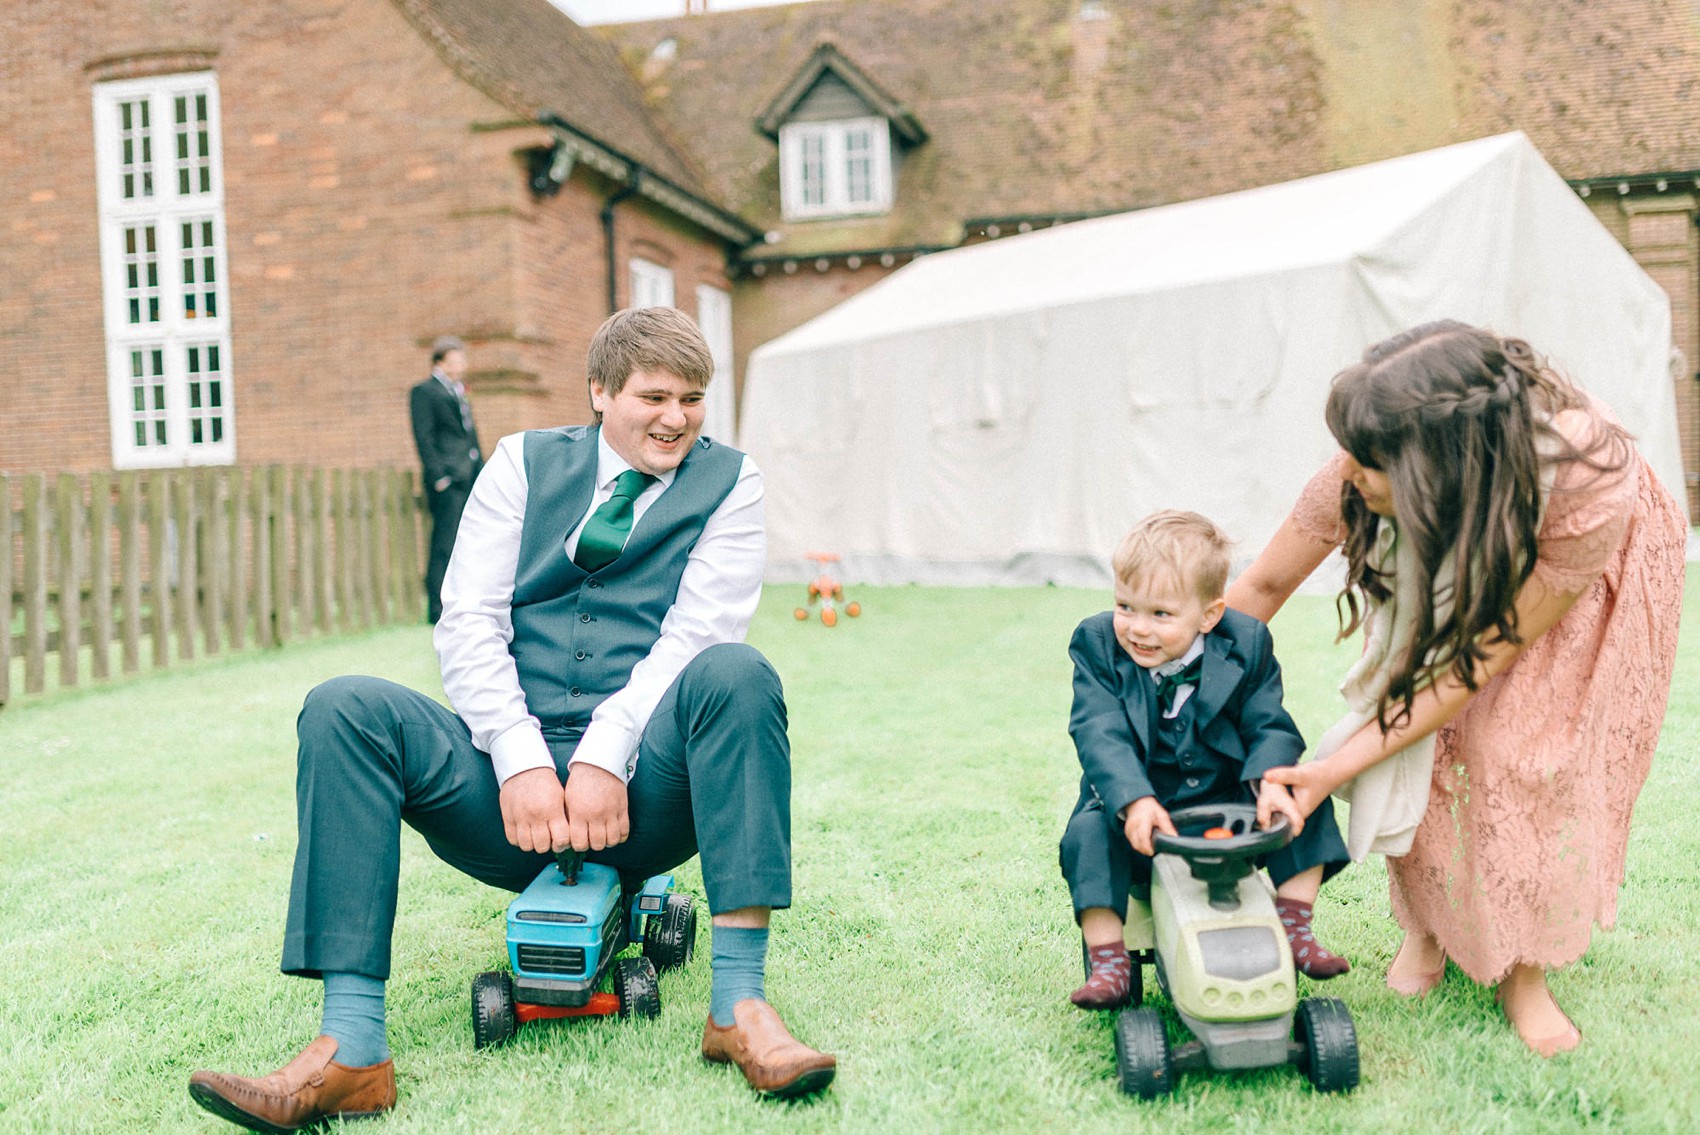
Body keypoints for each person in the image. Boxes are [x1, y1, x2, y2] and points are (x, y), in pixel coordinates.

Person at [188, 308, 836, 1133]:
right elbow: (468, 619)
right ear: (601, 391)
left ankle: (739, 1011)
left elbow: (697, 634)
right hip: (506, 800)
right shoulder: (520, 464)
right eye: (656, 396)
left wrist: (605, 755)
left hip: (647, 795)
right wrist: (521, 758)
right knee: (343, 706)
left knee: (738, 673)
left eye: (695, 399)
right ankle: (352, 1049)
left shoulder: (732, 481)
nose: (678, 418)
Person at [1226, 320, 1686, 1057]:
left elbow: (1472, 665)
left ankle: (1523, 971)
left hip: (1573, 559)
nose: (1347, 471)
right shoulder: (1364, 468)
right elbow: (1265, 581)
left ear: (1435, 469)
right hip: (1464, 534)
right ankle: (1428, 927)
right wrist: (1167, 693)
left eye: (1367, 462)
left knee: (1527, 757)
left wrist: (1326, 773)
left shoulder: (1589, 479)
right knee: (1432, 750)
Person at [1059, 510, 1352, 1009]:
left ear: (1210, 615)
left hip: (1227, 795)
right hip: (1143, 801)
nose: (1138, 628)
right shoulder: (1097, 644)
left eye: (1161, 614)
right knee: (1088, 833)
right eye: (1125, 606)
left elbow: (1268, 723)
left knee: (1304, 800)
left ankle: (1294, 924)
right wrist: (1133, 799)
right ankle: (1109, 958)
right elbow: (1099, 729)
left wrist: (1269, 781)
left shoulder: (1246, 642)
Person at [410, 335, 484, 623]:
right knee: (444, 543)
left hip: (469, 477)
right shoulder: (424, 392)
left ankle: (461, 603)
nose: (462, 365)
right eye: (456, 360)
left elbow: (468, 435)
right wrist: (439, 476)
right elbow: (424, 437)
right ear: (440, 363)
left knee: (467, 542)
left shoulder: (458, 391)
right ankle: (436, 609)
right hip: (449, 482)